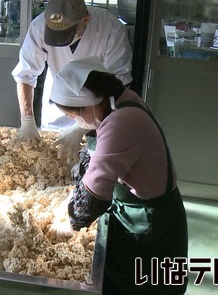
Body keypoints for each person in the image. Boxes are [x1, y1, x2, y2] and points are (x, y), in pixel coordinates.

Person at [50, 58, 188, 294]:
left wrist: (69, 223)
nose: (77, 122)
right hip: (139, 212)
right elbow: (96, 159)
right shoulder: (122, 100)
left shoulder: (121, 123)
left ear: (88, 105)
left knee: (143, 287)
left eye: (74, 116)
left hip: (150, 224)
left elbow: (93, 198)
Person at [12, 0, 133, 164]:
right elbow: (25, 73)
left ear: (85, 20)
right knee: (55, 159)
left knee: (90, 160)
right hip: (59, 99)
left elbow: (118, 85)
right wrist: (27, 119)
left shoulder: (110, 29)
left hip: (98, 111)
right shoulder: (39, 26)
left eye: (66, 33)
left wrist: (81, 127)